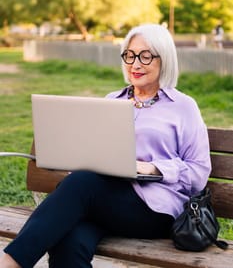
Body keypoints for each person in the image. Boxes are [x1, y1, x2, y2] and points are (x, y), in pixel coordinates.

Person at [0, 24, 211, 268]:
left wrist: (152, 168)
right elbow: (95, 152)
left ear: (164, 59)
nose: (135, 64)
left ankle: (10, 263)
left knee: (81, 184)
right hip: (102, 201)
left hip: (155, 210)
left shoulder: (184, 107)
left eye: (145, 56)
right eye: (130, 55)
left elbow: (199, 172)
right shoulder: (113, 101)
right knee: (70, 240)